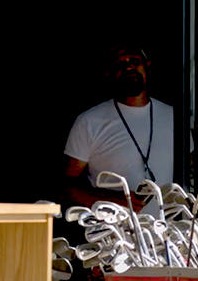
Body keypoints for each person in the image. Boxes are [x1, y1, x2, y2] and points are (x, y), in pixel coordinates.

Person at [60, 41, 175, 214]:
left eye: (134, 61)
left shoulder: (173, 117)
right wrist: (111, 199)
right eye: (120, 64)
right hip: (114, 236)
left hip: (168, 234)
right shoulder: (90, 121)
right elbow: (66, 186)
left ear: (147, 66)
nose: (129, 68)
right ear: (109, 72)